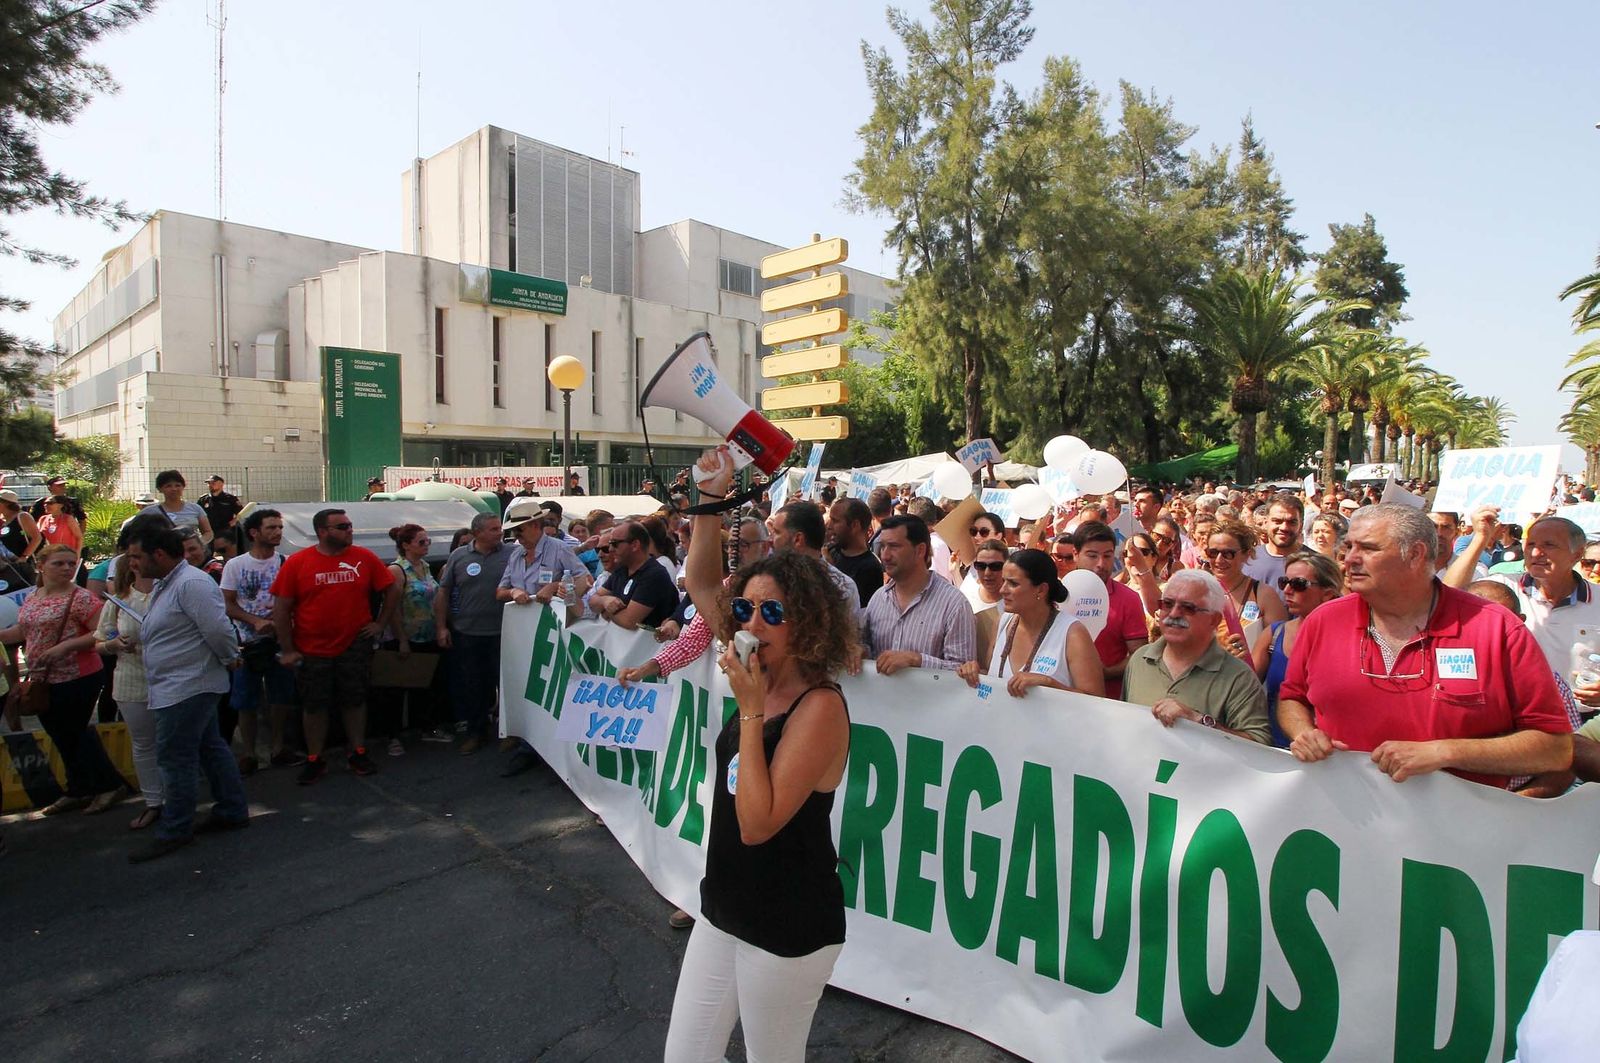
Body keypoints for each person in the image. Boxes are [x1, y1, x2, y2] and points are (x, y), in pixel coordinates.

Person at [663, 447, 854, 1063]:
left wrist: (749, 711)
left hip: (788, 924)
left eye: (773, 612)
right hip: (724, 906)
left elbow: (757, 824)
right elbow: (698, 582)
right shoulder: (755, 659)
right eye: (745, 608)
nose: (751, 621)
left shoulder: (820, 707)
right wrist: (710, 502)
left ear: (807, 625)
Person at [1277, 503, 1572, 787]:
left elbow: (1555, 748)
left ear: (1416, 554)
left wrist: (1445, 753)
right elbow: (1292, 698)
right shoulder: (1324, 621)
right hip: (1345, 825)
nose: (1350, 559)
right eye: (1350, 546)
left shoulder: (1497, 629)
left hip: (1455, 830)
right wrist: (1304, 733)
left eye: (1368, 548)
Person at [121, 518, 249, 862]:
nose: (132, 563)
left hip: (188, 686)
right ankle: (232, 809)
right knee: (210, 747)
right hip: (178, 684)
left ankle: (175, 828)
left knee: (175, 757)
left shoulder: (192, 583)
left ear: (159, 554)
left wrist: (228, 658)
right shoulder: (170, 581)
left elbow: (219, 629)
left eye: (136, 556)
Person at [271, 508, 398, 782]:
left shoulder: (364, 558)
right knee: (314, 705)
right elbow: (281, 609)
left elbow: (392, 589)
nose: (349, 530)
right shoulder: (297, 563)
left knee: (355, 699)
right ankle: (315, 757)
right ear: (322, 532)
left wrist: (379, 623)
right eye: (342, 527)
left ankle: (357, 751)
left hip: (354, 645)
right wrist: (289, 649)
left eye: (350, 525)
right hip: (312, 648)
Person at [1, 544, 123, 814]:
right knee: (60, 734)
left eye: (71, 563)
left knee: (76, 732)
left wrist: (65, 647)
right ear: (41, 565)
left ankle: (108, 785)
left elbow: (103, 633)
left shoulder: (81, 598)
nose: (67, 568)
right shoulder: (35, 595)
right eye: (59, 563)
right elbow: (25, 629)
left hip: (78, 676)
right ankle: (78, 788)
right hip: (44, 679)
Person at [1447, 511, 1600, 686]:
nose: (1536, 552)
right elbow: (1448, 594)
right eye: (1531, 544)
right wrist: (1480, 538)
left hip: (1584, 711)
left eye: (1549, 545)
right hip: (1522, 711)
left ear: (1577, 554)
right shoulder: (1502, 587)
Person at [1121, 569, 1271, 744]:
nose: (1174, 614)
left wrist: (1198, 720)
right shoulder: (1140, 660)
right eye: (1167, 604)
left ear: (1214, 620)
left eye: (1188, 608)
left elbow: (1259, 748)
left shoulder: (1239, 677)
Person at [959, 548, 1103, 699]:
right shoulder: (1002, 622)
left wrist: (1049, 684)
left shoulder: (1072, 633)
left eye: (1013, 583)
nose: (1002, 590)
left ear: (1041, 590)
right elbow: (993, 679)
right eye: (1003, 581)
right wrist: (973, 672)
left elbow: (1096, 700)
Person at [220, 508, 299, 773]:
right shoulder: (236, 565)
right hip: (247, 642)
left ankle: (278, 748)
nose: (277, 532)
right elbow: (227, 604)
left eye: (279, 527)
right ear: (254, 533)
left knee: (281, 697)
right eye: (271, 528)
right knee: (246, 700)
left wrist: (282, 624)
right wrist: (255, 621)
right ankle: (249, 753)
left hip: (280, 641)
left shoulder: (286, 562)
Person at [92, 543, 161, 829]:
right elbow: (98, 642)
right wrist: (112, 644)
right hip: (131, 683)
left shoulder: (170, 594)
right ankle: (154, 802)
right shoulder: (116, 602)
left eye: (140, 558)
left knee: (174, 744)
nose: (136, 564)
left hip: (171, 681)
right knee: (144, 746)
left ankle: (180, 799)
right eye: (131, 560)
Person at [434, 512, 511, 755]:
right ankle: (476, 733)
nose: (499, 532)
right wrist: (441, 627)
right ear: (477, 532)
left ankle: (509, 732)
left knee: (507, 684)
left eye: (499, 528)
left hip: (505, 632)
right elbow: (444, 592)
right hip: (468, 633)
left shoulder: (511, 553)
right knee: (474, 685)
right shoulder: (459, 556)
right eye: (493, 529)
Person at [861, 514, 976, 675]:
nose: (885, 555)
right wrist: (859, 652)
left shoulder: (954, 605)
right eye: (883, 546)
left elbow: (963, 671)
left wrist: (916, 660)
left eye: (894, 546)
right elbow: (866, 647)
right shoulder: (879, 599)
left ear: (920, 550)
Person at [1251, 551, 1343, 747]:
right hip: (1276, 752)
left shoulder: (1348, 640)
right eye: (1284, 582)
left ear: (1328, 593)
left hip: (1330, 753)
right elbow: (1246, 689)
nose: (1287, 590)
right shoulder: (1274, 634)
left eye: (1299, 584)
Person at [384, 523, 452, 746]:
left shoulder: (424, 566)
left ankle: (424, 726)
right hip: (407, 636)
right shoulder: (397, 570)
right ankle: (393, 735)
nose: (426, 546)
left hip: (428, 634)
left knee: (426, 685)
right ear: (406, 545)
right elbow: (392, 608)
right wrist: (401, 639)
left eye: (427, 542)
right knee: (398, 688)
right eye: (421, 542)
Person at [1071, 521, 1150, 699]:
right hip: (1060, 697)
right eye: (1092, 556)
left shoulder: (1129, 599)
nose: (1101, 563)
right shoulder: (1055, 595)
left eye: (1107, 556)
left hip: (1108, 701)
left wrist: (1105, 672)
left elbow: (1138, 656)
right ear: (1076, 554)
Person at [1205, 518, 1287, 651]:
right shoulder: (1198, 590)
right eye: (1213, 553)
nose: (1219, 560)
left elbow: (1279, 647)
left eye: (1228, 554)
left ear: (1246, 555)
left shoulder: (1263, 595)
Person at [589, 521, 680, 631]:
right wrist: (605, 601)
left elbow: (629, 621)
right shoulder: (622, 569)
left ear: (635, 545)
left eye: (615, 544)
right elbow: (593, 601)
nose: (611, 549)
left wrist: (607, 611)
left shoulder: (654, 574)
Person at [826, 497, 884, 608]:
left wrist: (830, 570)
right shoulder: (831, 551)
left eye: (835, 521)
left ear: (854, 525)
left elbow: (853, 612)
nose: (829, 526)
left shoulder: (870, 567)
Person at [1241, 492, 1305, 585]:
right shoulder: (1246, 560)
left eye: (1292, 522)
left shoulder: (1318, 565)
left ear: (1301, 526)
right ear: (1266, 523)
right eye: (1277, 521)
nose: (1284, 527)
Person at [141, 470, 213, 544]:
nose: (174, 489)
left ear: (183, 487)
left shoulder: (196, 509)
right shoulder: (150, 512)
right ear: (160, 489)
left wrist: (197, 544)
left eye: (177, 485)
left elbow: (208, 532)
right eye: (168, 486)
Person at [0, 489, 41, 588]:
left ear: (5, 503)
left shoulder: (22, 516)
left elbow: (37, 538)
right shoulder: (4, 521)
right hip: (9, 566)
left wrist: (24, 556)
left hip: (25, 565)